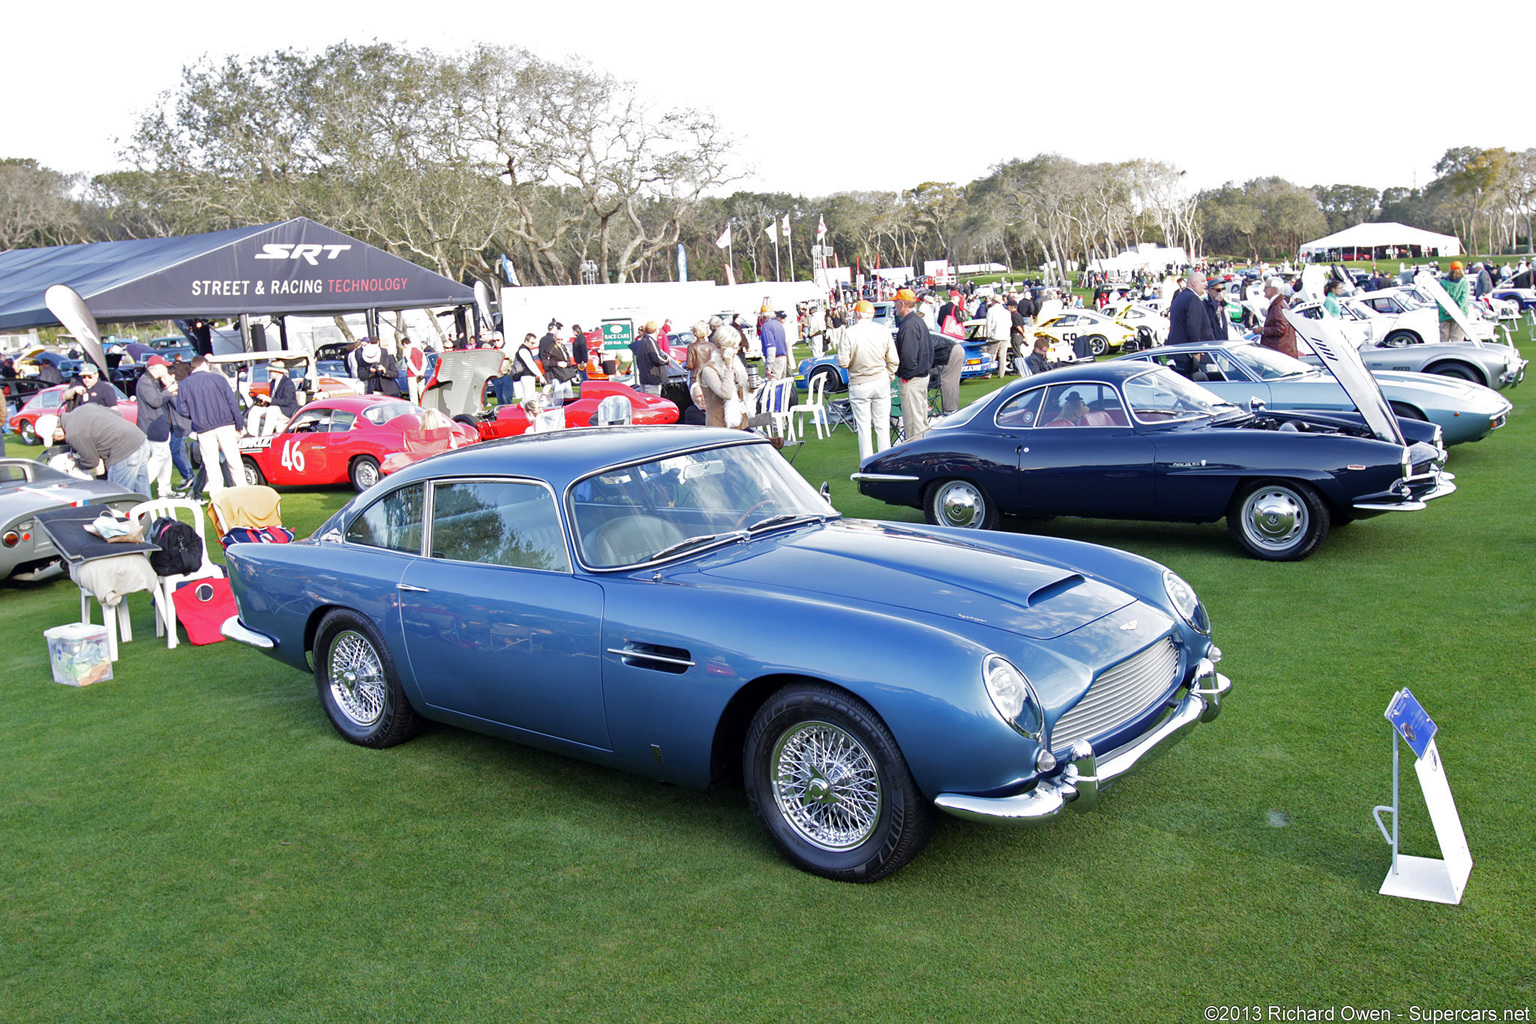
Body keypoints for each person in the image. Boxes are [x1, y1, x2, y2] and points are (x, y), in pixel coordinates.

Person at [837, 299, 900, 461]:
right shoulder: (883, 331)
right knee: (882, 425)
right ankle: (886, 462)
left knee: (864, 427)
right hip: (880, 381)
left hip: (859, 383)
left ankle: (867, 462)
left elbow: (843, 362)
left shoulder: (849, 333)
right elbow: (893, 360)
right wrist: (888, 377)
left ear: (857, 314)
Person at [176, 356, 245, 497]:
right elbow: (232, 403)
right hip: (224, 425)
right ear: (204, 364)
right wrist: (239, 424)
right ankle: (243, 491)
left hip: (203, 428)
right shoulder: (218, 379)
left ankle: (217, 495)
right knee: (234, 461)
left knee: (211, 464)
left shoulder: (184, 384)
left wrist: (195, 416)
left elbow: (181, 409)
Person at [54, 402, 151, 497]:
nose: (56, 440)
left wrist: (76, 463)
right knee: (142, 494)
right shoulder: (83, 408)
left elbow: (91, 462)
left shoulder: (72, 434)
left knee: (118, 497)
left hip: (123, 451)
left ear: (58, 429)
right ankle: (149, 513)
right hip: (140, 439)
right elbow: (117, 414)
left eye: (54, 437)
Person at [892, 288, 933, 443]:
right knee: (920, 419)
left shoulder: (909, 324)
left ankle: (919, 457)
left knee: (914, 423)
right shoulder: (917, 321)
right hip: (921, 375)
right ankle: (924, 453)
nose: (895, 306)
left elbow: (908, 355)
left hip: (913, 378)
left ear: (902, 304)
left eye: (896, 303)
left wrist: (905, 377)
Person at [135, 355, 178, 497]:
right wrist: (169, 390)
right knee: (159, 456)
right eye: (164, 366)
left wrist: (166, 386)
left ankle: (165, 489)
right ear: (157, 367)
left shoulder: (154, 382)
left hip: (160, 425)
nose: (166, 369)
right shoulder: (145, 382)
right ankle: (141, 485)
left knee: (166, 458)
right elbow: (155, 401)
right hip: (151, 426)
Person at [1167, 271, 1215, 346]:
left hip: (1179, 348)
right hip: (1190, 351)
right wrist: (1196, 350)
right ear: (1193, 283)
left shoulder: (1181, 297)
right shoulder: (1193, 299)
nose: (1206, 284)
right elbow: (1193, 328)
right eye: (1203, 281)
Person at [1259, 278, 1299, 358]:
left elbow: (1281, 329)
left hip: (1281, 352)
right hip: (1282, 351)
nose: (1264, 290)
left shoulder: (1278, 306)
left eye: (1266, 287)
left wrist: (1262, 330)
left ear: (1274, 289)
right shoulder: (1279, 303)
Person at [541, 327, 579, 404]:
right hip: (556, 375)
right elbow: (545, 362)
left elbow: (566, 358)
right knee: (558, 397)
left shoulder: (562, 346)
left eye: (562, 339)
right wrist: (557, 363)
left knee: (569, 395)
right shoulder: (550, 348)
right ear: (554, 338)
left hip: (565, 374)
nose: (560, 341)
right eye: (558, 339)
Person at [630, 321, 668, 396]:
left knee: (647, 403)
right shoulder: (651, 341)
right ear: (656, 330)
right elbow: (657, 358)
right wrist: (667, 360)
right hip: (652, 379)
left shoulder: (641, 342)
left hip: (644, 379)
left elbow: (638, 361)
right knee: (653, 403)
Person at [1438, 261, 1470, 343]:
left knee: (1444, 340)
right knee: (1457, 340)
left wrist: (1445, 310)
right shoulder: (1464, 282)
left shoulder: (1443, 282)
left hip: (1444, 315)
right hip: (1459, 315)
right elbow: (1463, 299)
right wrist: (1455, 311)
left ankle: (1443, 355)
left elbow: (1439, 298)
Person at [985, 294, 1012, 377]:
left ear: (994, 301)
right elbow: (1010, 324)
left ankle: (989, 373)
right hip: (1005, 335)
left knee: (991, 355)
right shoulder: (1006, 312)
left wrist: (988, 334)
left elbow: (988, 324)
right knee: (1002, 355)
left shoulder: (991, 310)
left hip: (995, 335)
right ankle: (1001, 373)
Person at [759, 310, 789, 379]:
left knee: (773, 385)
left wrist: (769, 366)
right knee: (782, 385)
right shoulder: (779, 324)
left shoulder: (766, 326)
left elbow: (771, 347)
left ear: (762, 316)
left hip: (775, 359)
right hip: (783, 358)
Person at [402, 336, 428, 405]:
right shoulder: (419, 349)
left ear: (404, 344)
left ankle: (415, 409)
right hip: (422, 374)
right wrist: (421, 372)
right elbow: (425, 362)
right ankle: (424, 405)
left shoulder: (406, 350)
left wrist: (416, 372)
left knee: (413, 394)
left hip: (412, 375)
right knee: (422, 392)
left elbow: (409, 363)